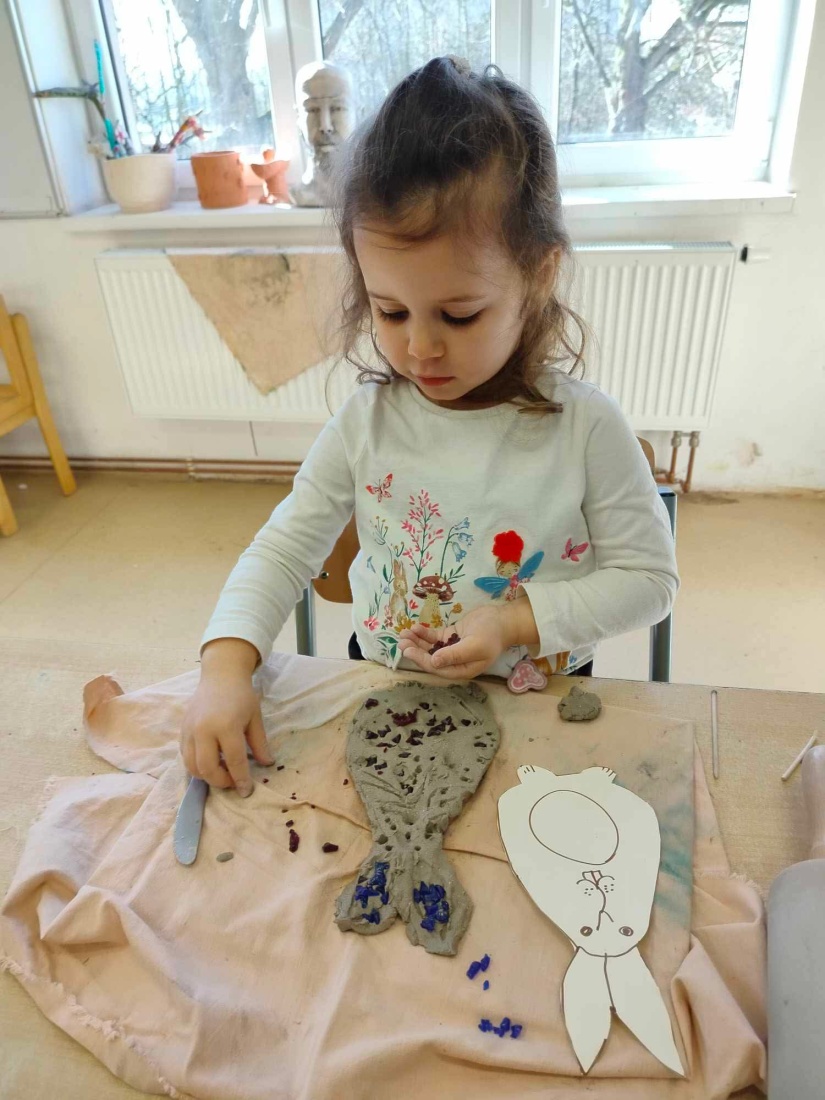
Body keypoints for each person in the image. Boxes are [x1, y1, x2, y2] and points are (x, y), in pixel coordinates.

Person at [181, 57, 678, 797]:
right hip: (385, 688)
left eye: (459, 314)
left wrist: (513, 623)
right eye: (389, 311)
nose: (419, 347)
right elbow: (283, 549)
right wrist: (225, 666)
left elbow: (648, 582)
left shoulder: (586, 428)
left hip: (535, 702)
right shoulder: (366, 422)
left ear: (539, 274)